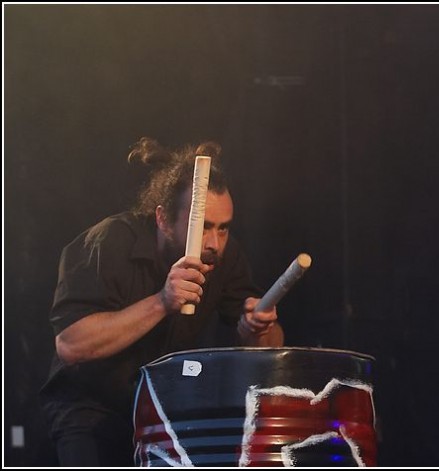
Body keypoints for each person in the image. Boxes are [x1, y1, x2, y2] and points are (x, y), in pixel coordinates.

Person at [40, 137, 284, 466]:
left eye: (224, 228)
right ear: (163, 220)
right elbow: (71, 345)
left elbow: (267, 350)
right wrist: (162, 301)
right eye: (205, 227)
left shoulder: (225, 256)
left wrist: (259, 327)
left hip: (164, 412)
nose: (214, 243)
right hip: (90, 410)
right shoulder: (109, 242)